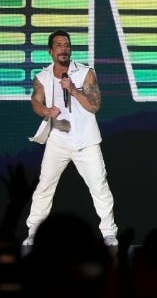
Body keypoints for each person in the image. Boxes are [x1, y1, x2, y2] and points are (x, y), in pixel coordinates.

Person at [23, 30, 119, 247]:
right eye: (58, 45)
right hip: (58, 140)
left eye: (66, 44)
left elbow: (94, 106)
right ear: (51, 51)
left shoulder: (85, 73)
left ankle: (109, 233)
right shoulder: (42, 77)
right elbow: (35, 101)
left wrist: (73, 90)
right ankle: (33, 233)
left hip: (86, 140)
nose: (64, 48)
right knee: (45, 185)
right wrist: (47, 111)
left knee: (99, 185)